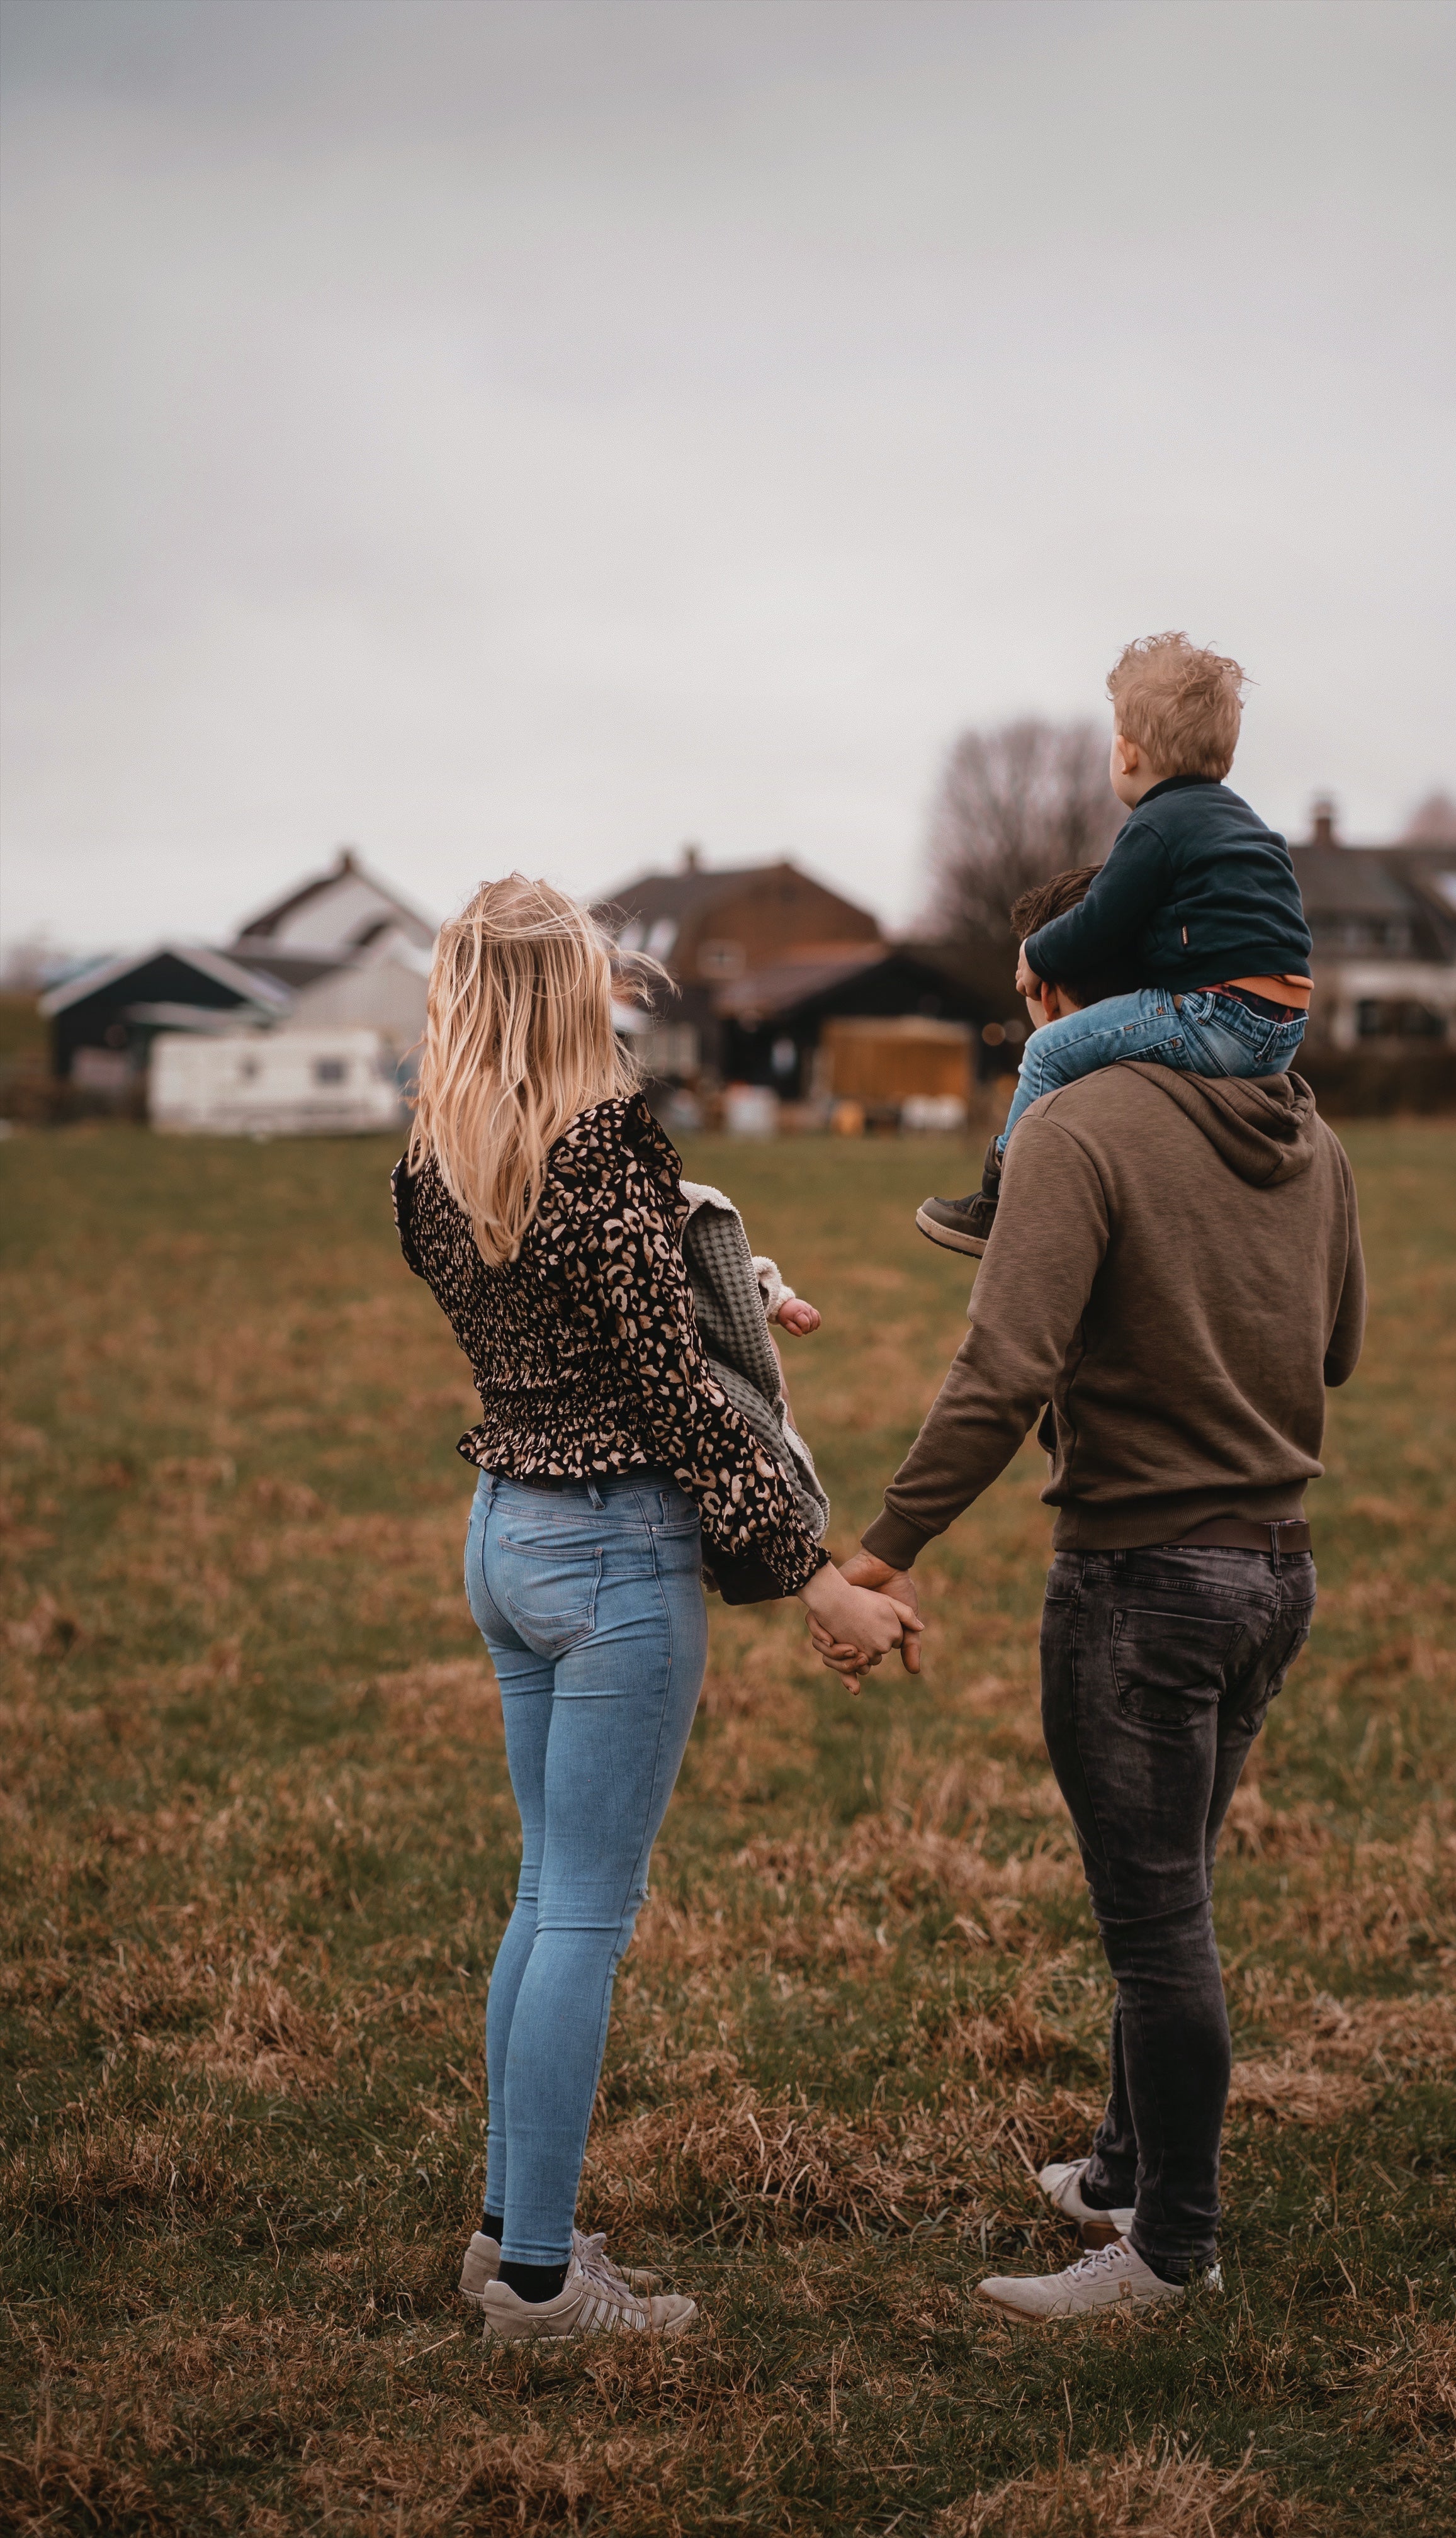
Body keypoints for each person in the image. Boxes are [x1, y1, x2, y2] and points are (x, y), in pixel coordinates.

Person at [393, 876, 918, 2344]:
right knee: (584, 1916)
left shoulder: (434, 1160)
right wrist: (817, 1575)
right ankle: (548, 2287)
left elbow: (561, 1298)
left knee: (543, 1893)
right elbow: (680, 1408)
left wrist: (726, 1273)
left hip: (503, 1539)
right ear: (567, 995)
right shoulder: (605, 1146)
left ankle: (509, 2237)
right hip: (617, 1553)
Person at [813, 930, 1366, 2321]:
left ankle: (1170, 2251)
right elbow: (1338, 1348)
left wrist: (880, 1551)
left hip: (1142, 1578)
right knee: (1174, 1888)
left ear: (1085, 995)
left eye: (1029, 1002)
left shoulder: (1076, 1124)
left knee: (1158, 1926)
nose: (1019, 1040)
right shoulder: (1308, 1128)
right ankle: (1124, 2171)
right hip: (1275, 1573)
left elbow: (1003, 1370)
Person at [916, 629, 1314, 1257]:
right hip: (1285, 1026)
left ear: (1126, 755)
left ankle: (998, 1199)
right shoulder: (1246, 827)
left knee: (1048, 1051)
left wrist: (1036, 954)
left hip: (1219, 1014)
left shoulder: (1156, 825)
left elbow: (1102, 918)